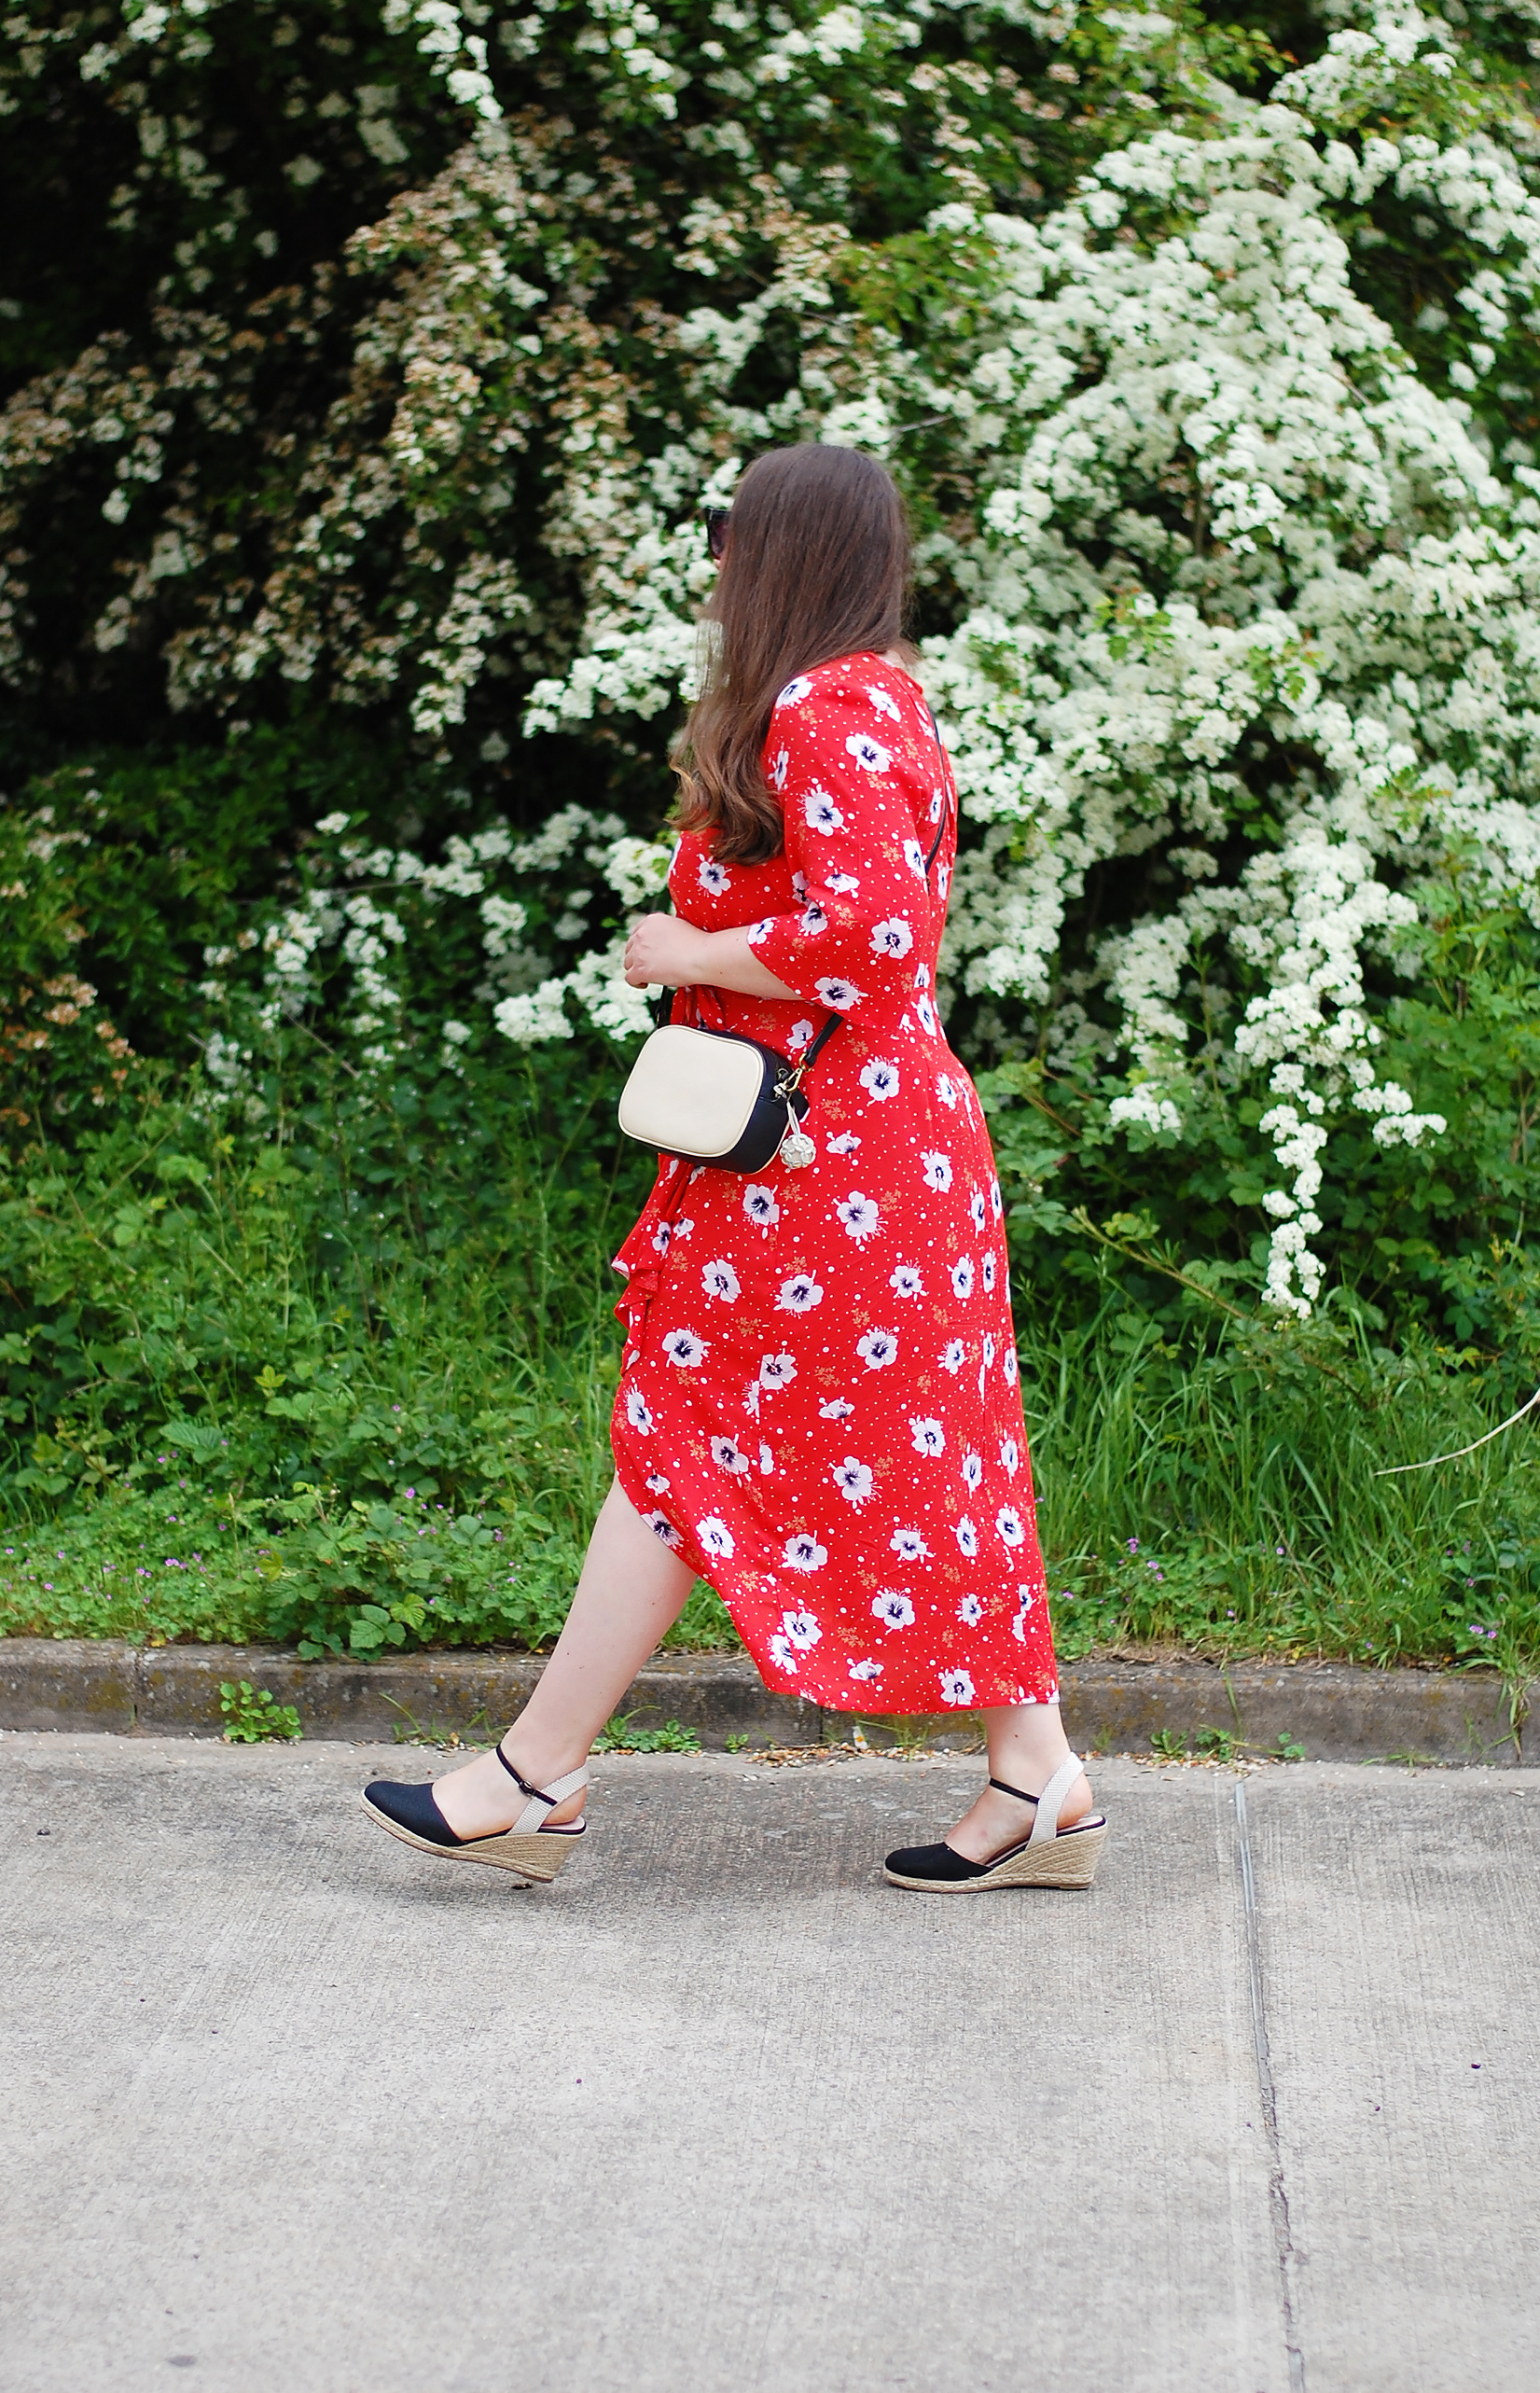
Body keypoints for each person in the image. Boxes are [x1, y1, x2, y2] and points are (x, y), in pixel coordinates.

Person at [363, 443, 1105, 1895]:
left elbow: (877, 933)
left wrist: (687, 952)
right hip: (876, 1149)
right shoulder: (882, 698)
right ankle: (1039, 1781)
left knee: (690, 1423)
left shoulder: (824, 708)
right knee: (911, 1450)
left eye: (727, 532)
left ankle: (533, 1777)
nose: (712, 558)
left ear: (779, 553)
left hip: (828, 1162)